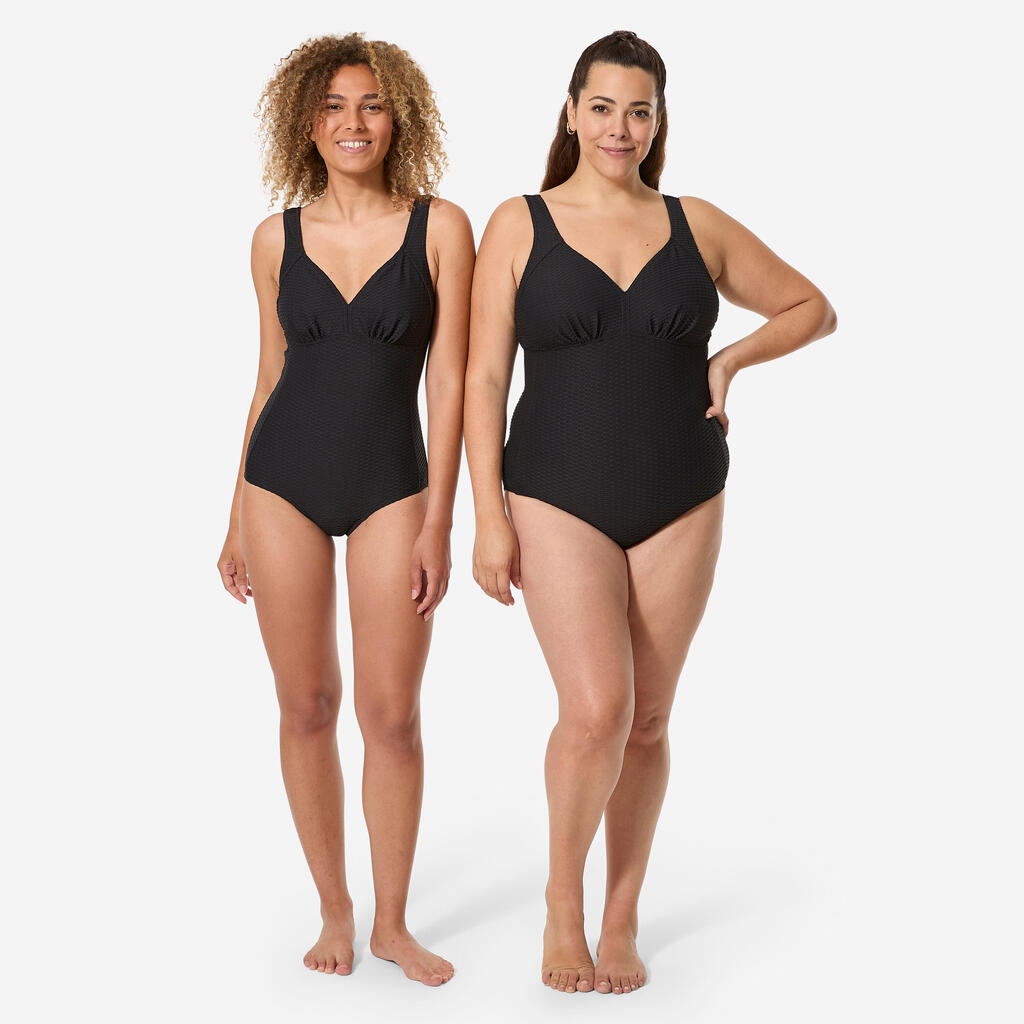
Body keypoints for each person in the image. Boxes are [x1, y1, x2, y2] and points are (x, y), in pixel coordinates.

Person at [463, 29, 837, 995]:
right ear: (571, 112)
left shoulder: (694, 223)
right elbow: (483, 377)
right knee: (597, 709)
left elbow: (811, 307)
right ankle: (563, 903)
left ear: (659, 120)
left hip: (684, 492)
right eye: (602, 108)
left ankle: (621, 915)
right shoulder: (519, 223)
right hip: (553, 491)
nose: (619, 129)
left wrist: (728, 360)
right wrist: (487, 515)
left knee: (648, 718)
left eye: (639, 111)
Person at [217, 32, 473, 987]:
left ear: (398, 117)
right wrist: (234, 516)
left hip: (393, 487)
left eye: (371, 104)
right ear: (307, 123)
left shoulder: (441, 228)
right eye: (332, 106)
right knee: (306, 705)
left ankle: (393, 924)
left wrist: (441, 520)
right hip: (279, 481)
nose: (353, 122)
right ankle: (335, 908)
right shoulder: (273, 240)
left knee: (391, 715)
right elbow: (266, 380)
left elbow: (450, 384)